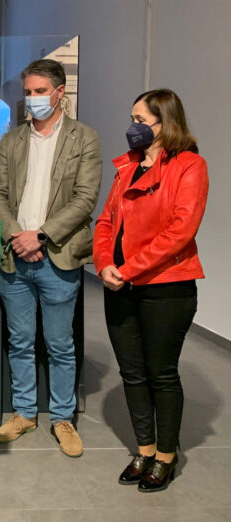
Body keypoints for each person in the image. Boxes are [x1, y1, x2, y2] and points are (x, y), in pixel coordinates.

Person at [93, 89, 208, 492]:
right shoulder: (126, 167)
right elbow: (106, 221)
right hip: (119, 284)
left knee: (160, 374)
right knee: (132, 373)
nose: (133, 128)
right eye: (132, 119)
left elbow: (181, 230)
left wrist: (127, 268)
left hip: (166, 288)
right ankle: (143, 450)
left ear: (165, 123)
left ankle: (165, 455)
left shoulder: (190, 166)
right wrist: (105, 263)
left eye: (141, 121)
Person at [0, 59, 102, 457]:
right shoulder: (11, 141)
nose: (32, 99)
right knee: (19, 341)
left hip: (59, 256)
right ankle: (23, 413)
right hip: (15, 258)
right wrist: (16, 236)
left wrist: (41, 235)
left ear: (59, 93)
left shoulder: (84, 139)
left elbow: (85, 199)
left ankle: (63, 418)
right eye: (29, 92)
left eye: (39, 91)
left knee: (60, 344)